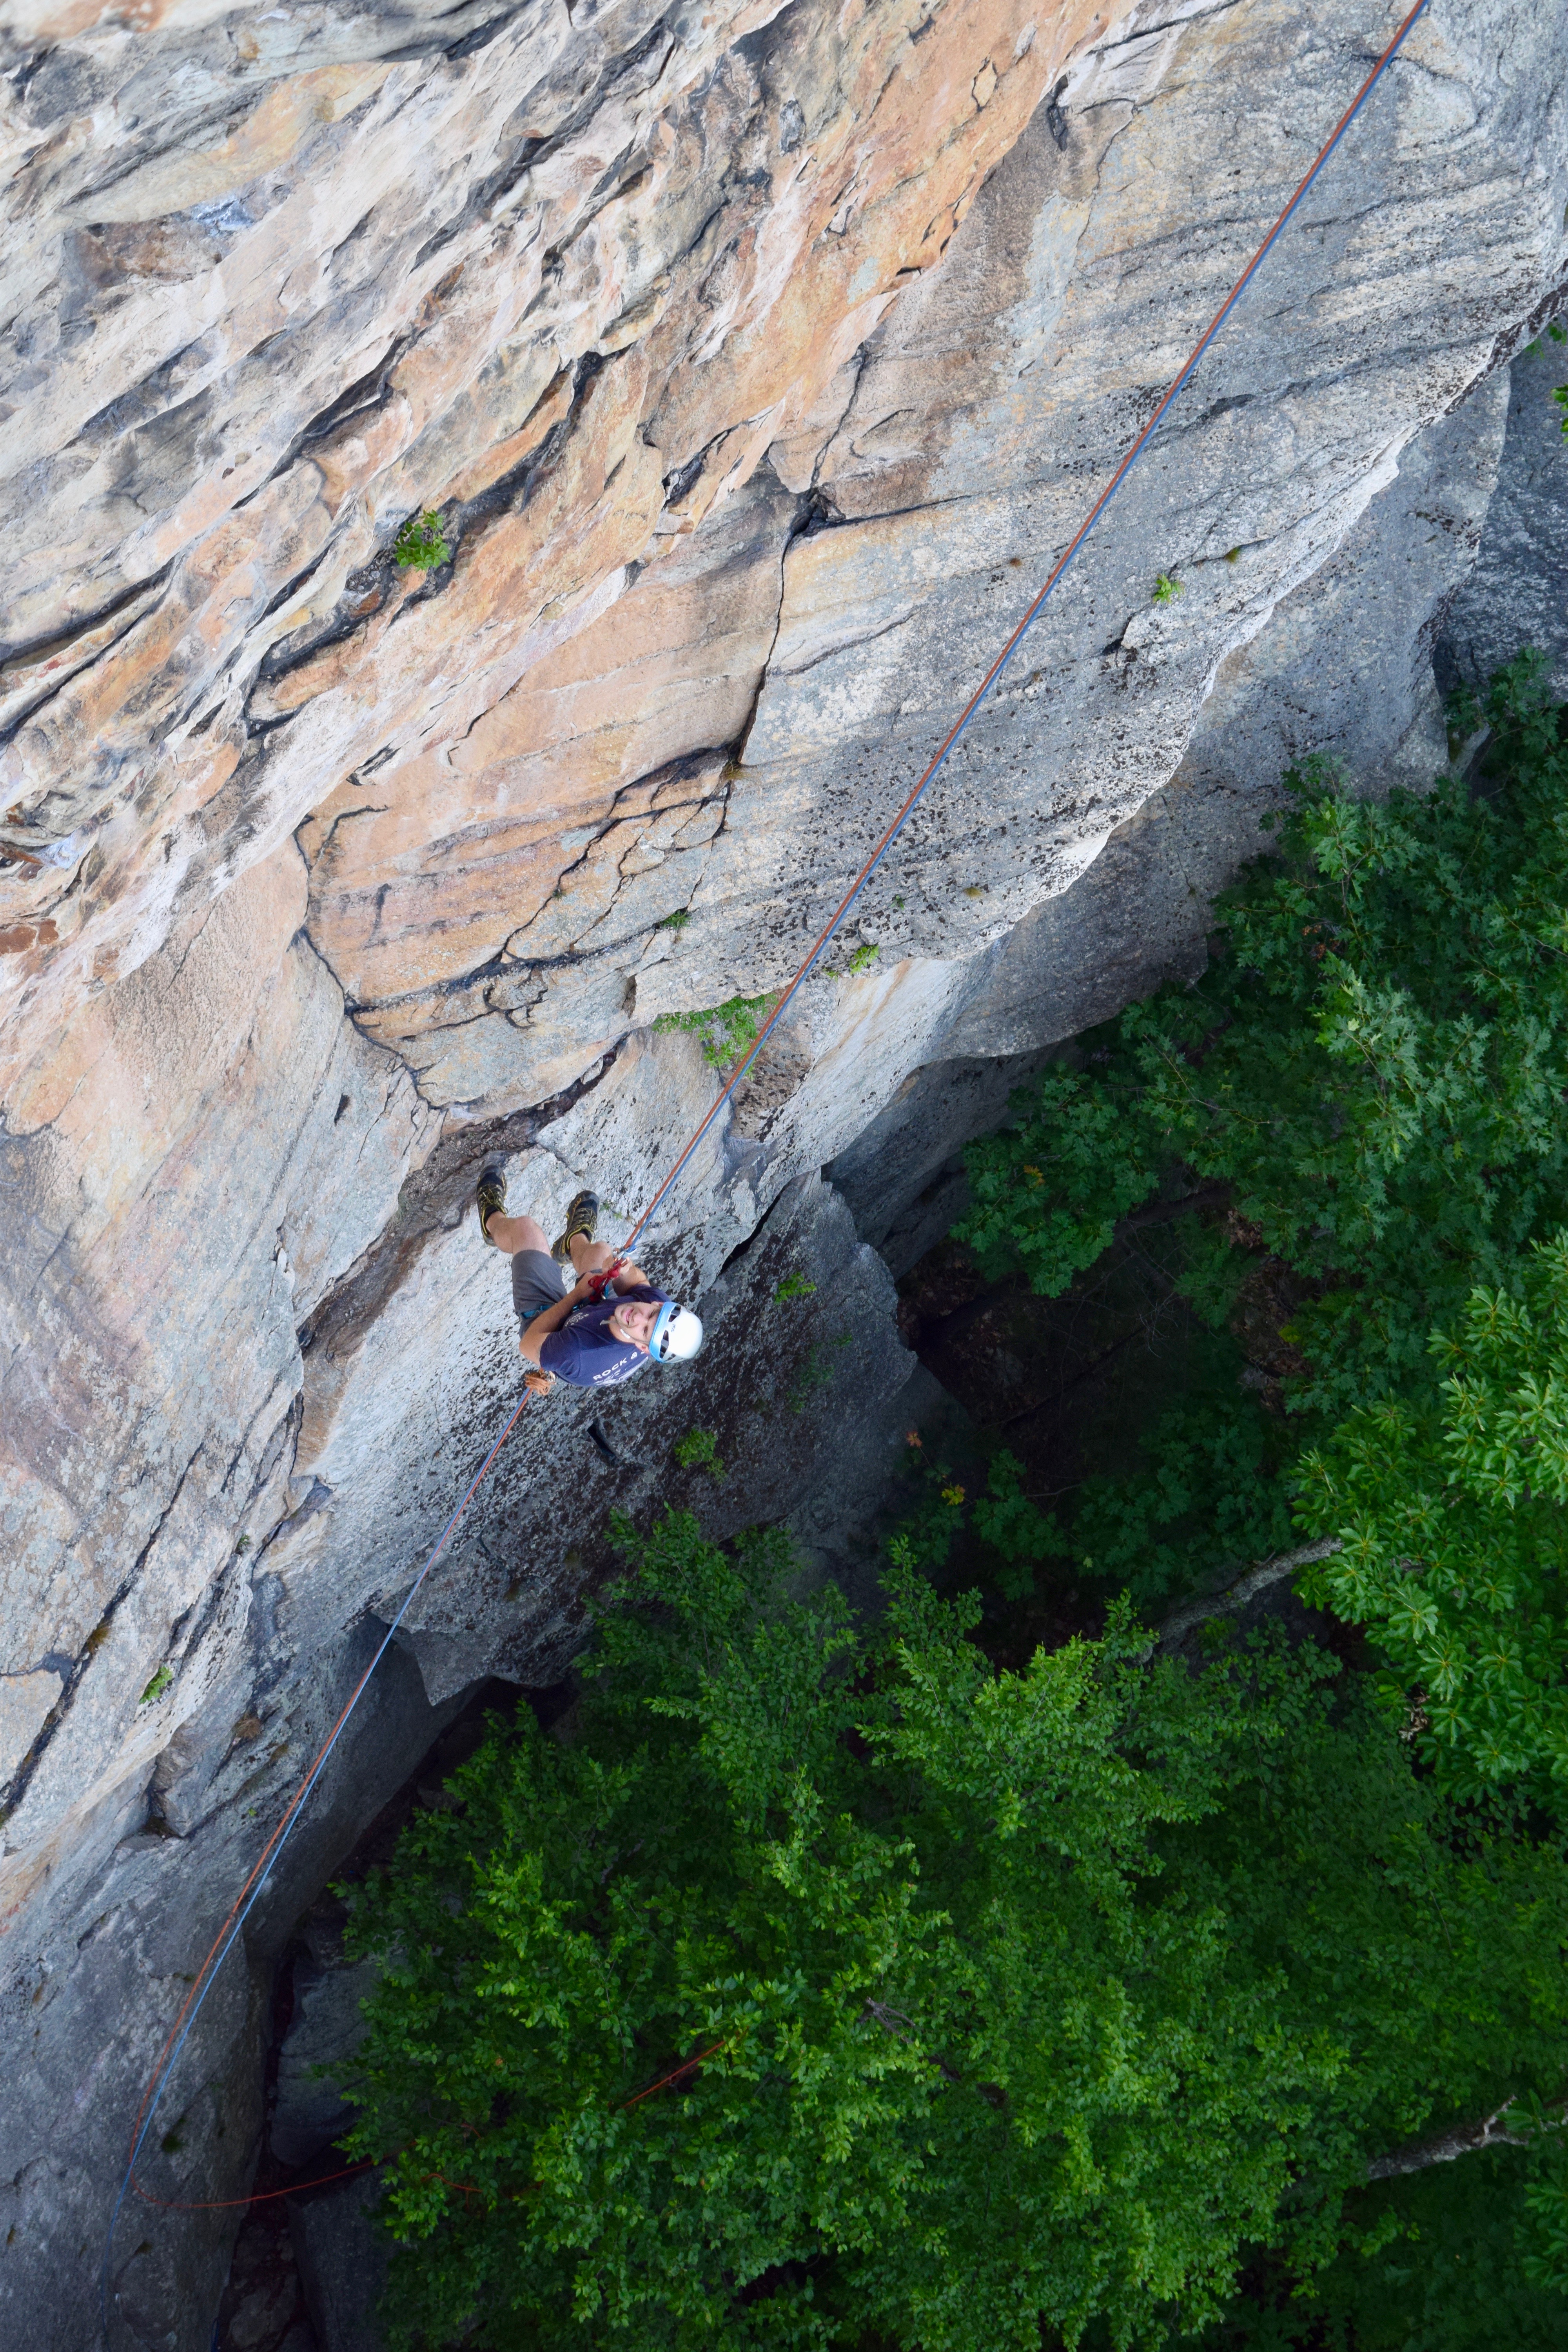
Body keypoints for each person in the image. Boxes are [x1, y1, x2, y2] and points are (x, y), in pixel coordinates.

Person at [475, 1168, 704, 1393]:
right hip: (597, 1315)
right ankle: (574, 1241)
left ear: (643, 1348)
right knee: (602, 1253)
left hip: (553, 1332)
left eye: (645, 1330)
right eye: (651, 1314)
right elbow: (638, 1285)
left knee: (525, 1230)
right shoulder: (656, 1317)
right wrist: (623, 1269)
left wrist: (576, 1296)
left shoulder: (578, 1354)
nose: (639, 1318)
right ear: (659, 1305)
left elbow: (527, 1345)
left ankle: (492, 1220)